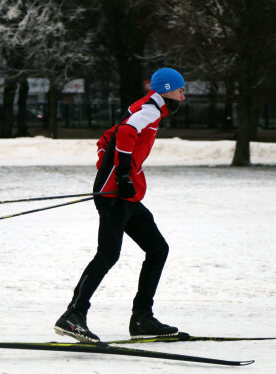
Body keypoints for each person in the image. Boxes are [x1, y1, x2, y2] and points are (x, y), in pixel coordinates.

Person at [55, 67, 186, 343]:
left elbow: (106, 138)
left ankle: (142, 318)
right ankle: (73, 315)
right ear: (166, 90)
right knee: (108, 254)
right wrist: (122, 173)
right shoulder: (150, 109)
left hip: (125, 194)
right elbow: (125, 132)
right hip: (116, 195)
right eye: (180, 90)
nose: (183, 96)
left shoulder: (147, 108)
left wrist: (117, 172)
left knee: (157, 248)